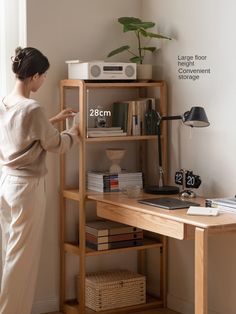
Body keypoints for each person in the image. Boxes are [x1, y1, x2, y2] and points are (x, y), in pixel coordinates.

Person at [0, 47, 79, 314]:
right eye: (43, 76)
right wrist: (75, 131)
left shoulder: (5, 102)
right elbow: (56, 144)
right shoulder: (33, 108)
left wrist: (53, 119)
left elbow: (23, 134)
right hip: (27, 189)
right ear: (34, 76)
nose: (44, 80)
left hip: (6, 185)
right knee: (22, 259)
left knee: (12, 254)